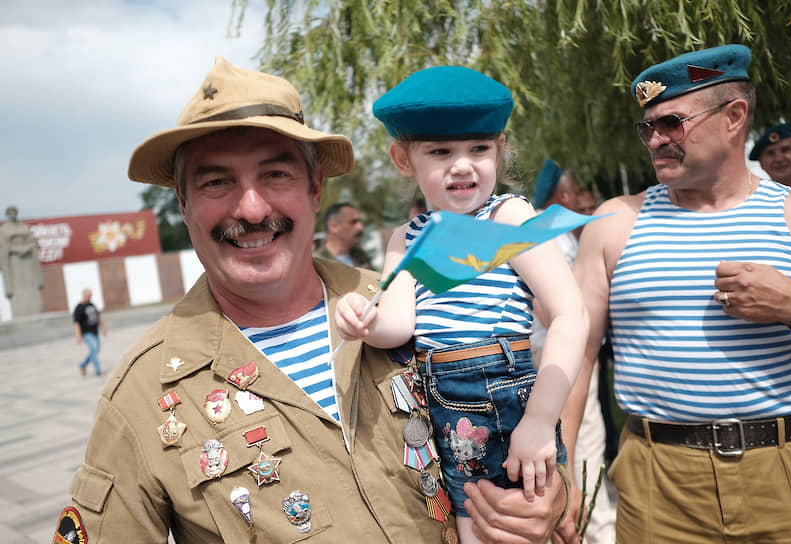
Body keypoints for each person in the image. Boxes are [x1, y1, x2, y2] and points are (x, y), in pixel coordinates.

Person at [53, 57, 572, 544]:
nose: (252, 208)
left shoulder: (402, 298)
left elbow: (515, 408)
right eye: (217, 182)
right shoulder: (144, 391)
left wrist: (550, 499)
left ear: (315, 188)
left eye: (276, 174)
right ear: (184, 205)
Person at [562, 44, 791, 543]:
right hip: (660, 480)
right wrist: (562, 464)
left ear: (734, 116)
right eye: (647, 127)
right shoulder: (615, 223)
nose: (655, 140)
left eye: (672, 123)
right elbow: (576, 351)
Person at [334, 66, 588, 544]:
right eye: (440, 152)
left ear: (499, 148)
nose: (463, 165)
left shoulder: (508, 216)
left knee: (521, 524)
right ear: (402, 159)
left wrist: (539, 419)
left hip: (506, 395)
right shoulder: (406, 236)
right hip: (441, 402)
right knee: (472, 531)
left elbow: (572, 314)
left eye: (479, 149)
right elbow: (398, 324)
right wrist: (364, 318)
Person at [530, 162, 616, 544]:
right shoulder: (556, 237)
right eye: (577, 191)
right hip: (561, 362)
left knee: (544, 464)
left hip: (534, 360)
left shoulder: (528, 231)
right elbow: (554, 310)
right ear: (563, 197)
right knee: (583, 456)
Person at [0, 205, 43, 317]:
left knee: (30, 282)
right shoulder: (4, 229)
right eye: (10, 212)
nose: (13, 214)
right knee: (19, 286)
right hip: (14, 261)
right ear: (7, 215)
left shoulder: (24, 227)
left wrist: (29, 247)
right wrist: (15, 249)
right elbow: (3, 246)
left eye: (14, 212)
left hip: (28, 259)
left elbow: (33, 241)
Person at [749, 122, 791, 191]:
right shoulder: (757, 199)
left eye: (785, 150)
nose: (779, 159)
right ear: (761, 162)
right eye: (770, 153)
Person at [313, 202, 374, 268]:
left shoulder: (362, 257)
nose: (360, 227)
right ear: (333, 226)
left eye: (360, 222)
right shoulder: (316, 263)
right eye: (353, 222)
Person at [73, 288, 107, 376]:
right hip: (86, 333)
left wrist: (103, 327)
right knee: (94, 349)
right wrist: (78, 336)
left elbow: (98, 316)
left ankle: (83, 365)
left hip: (95, 331)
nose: (90, 297)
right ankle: (98, 371)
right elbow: (76, 323)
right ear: (84, 295)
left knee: (95, 350)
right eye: (88, 296)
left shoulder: (92, 304)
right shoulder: (79, 308)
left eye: (91, 295)